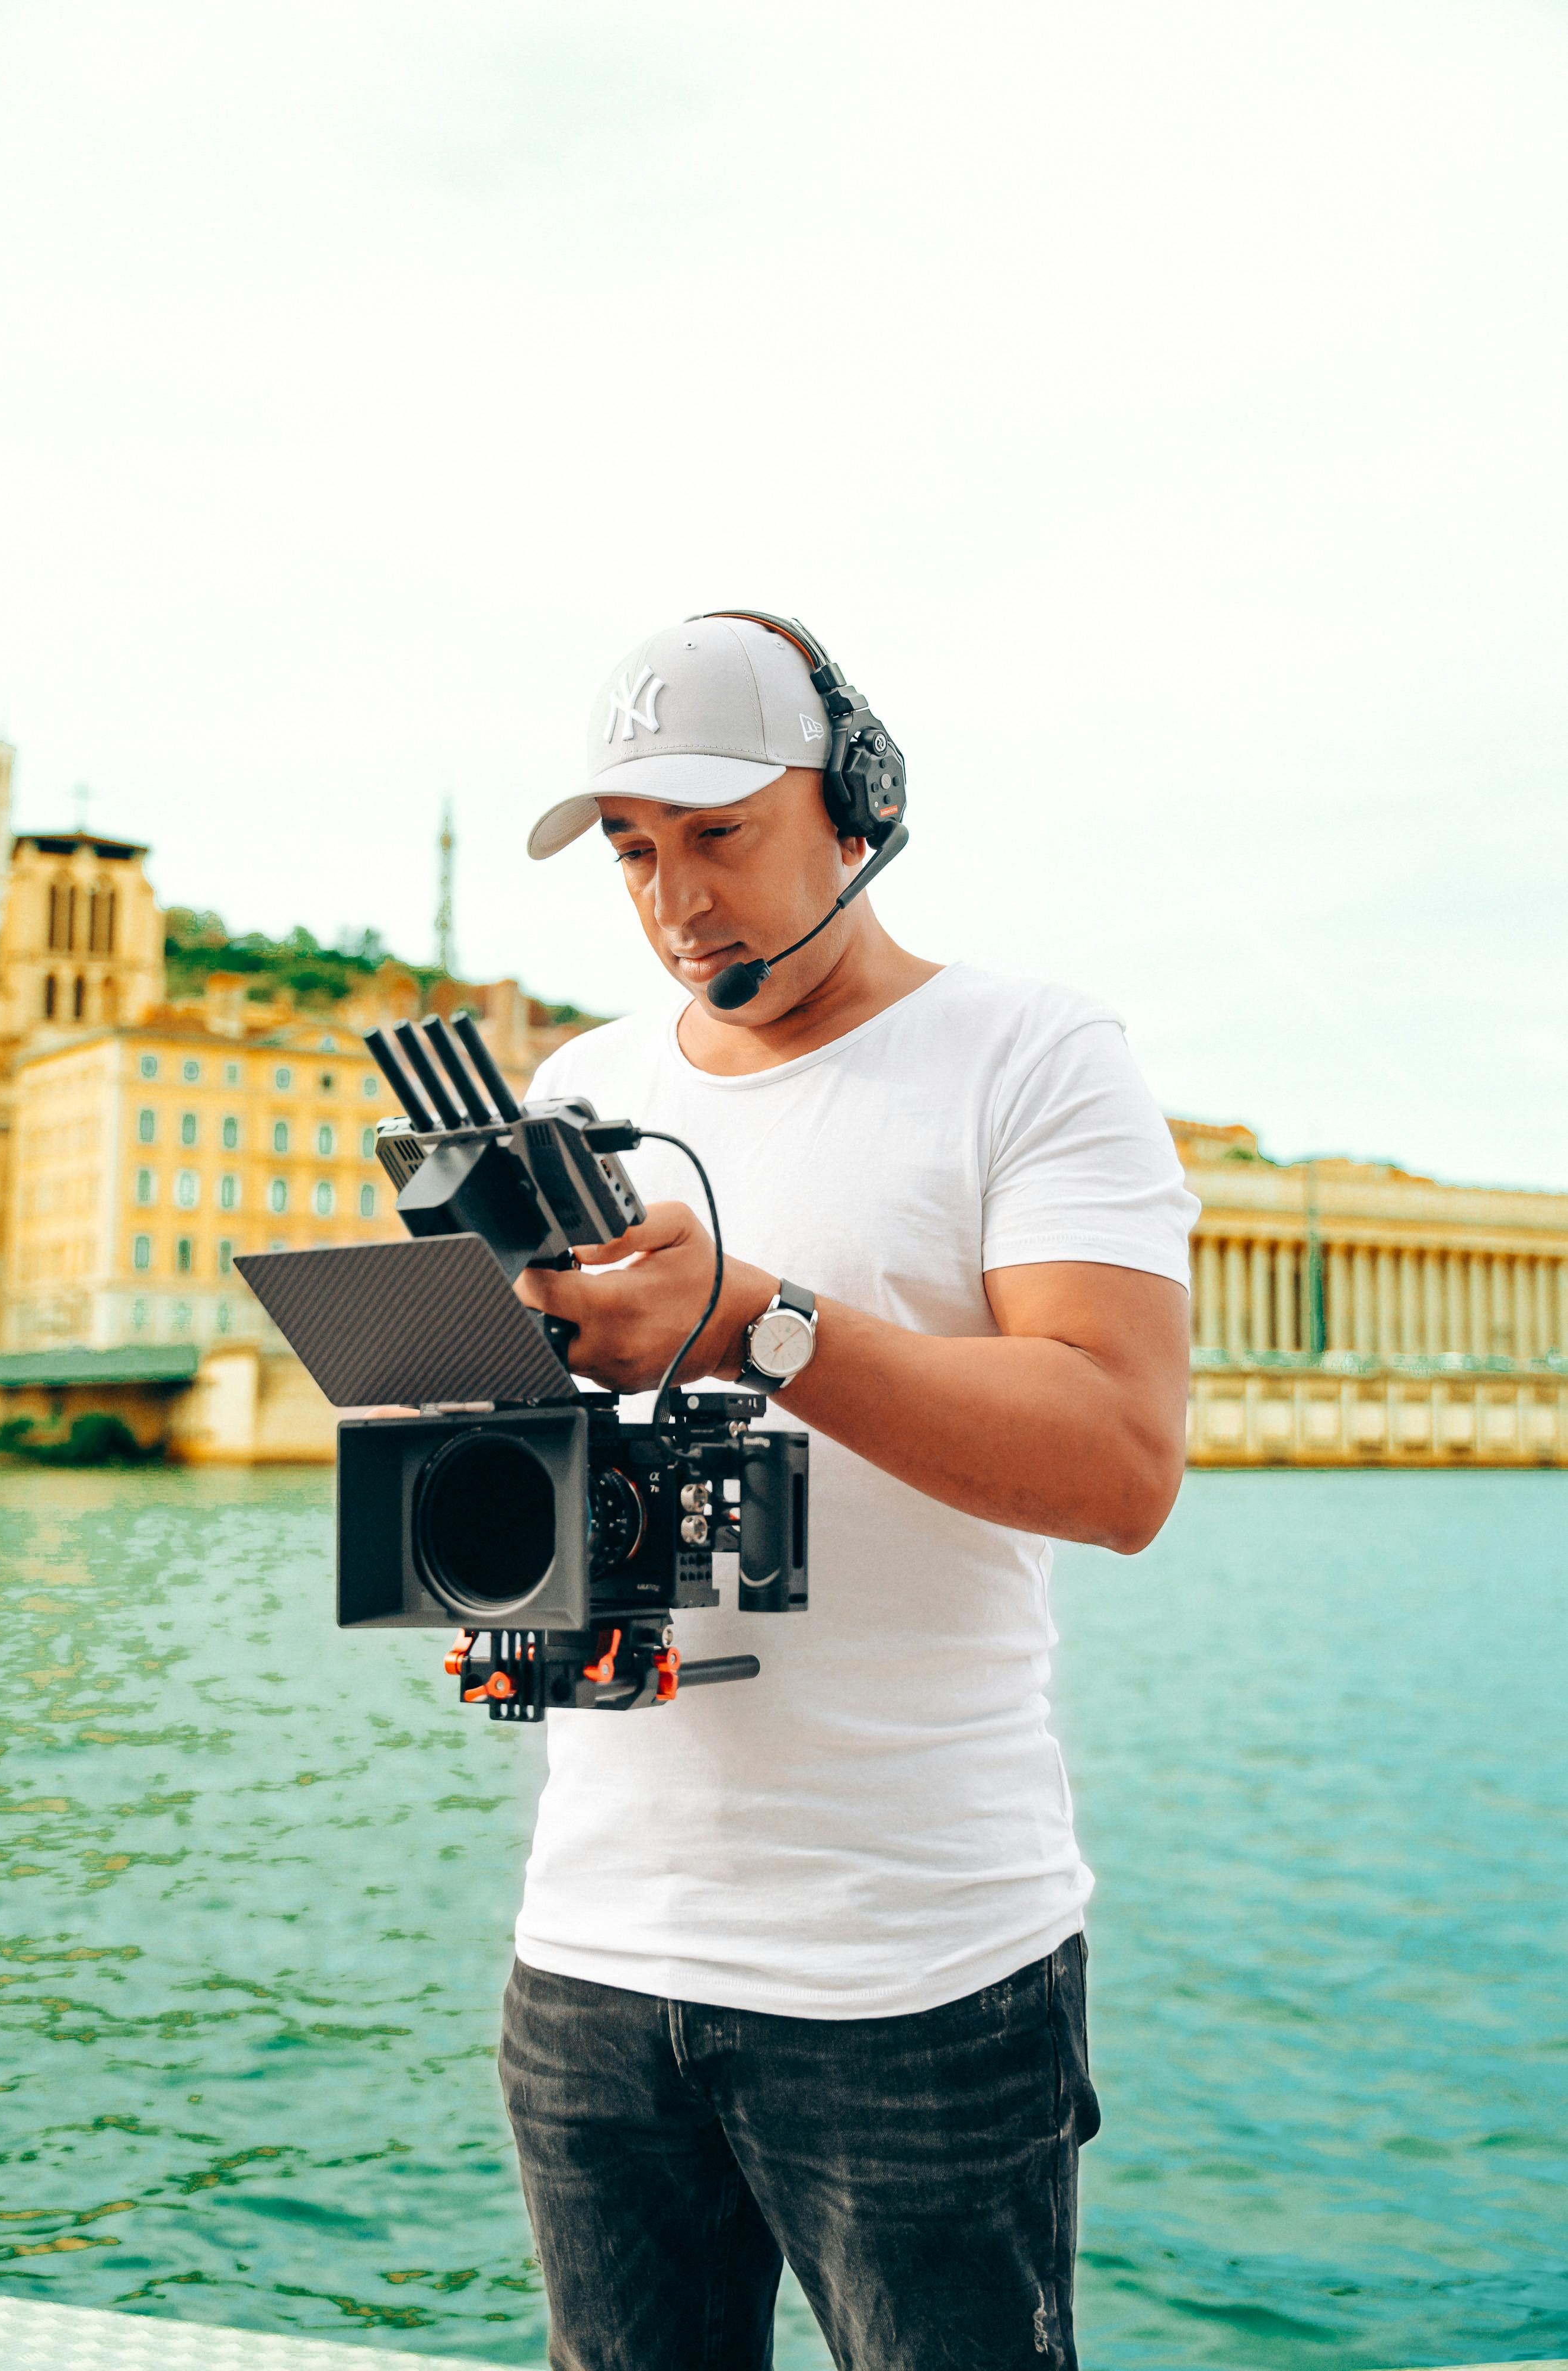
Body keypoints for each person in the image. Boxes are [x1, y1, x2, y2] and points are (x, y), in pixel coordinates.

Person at [499, 611, 1198, 2371]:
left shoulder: (1033, 1054)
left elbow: (1118, 1467)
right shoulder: (577, 1088)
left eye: (720, 834)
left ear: (859, 807)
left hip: (920, 1975)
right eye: (637, 853)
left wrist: (753, 1319)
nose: (675, 897)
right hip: (589, 1958)